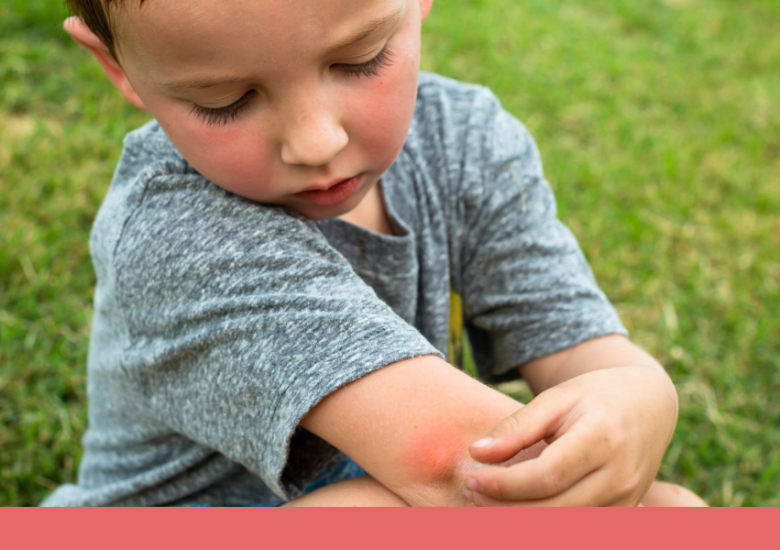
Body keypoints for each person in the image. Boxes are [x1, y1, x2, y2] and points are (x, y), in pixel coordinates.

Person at [43, 0, 705, 506]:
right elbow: (461, 473)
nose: (315, 141)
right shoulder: (178, 236)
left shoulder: (466, 144)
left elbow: (581, 346)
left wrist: (640, 395)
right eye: (225, 100)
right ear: (117, 66)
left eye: (359, 59)